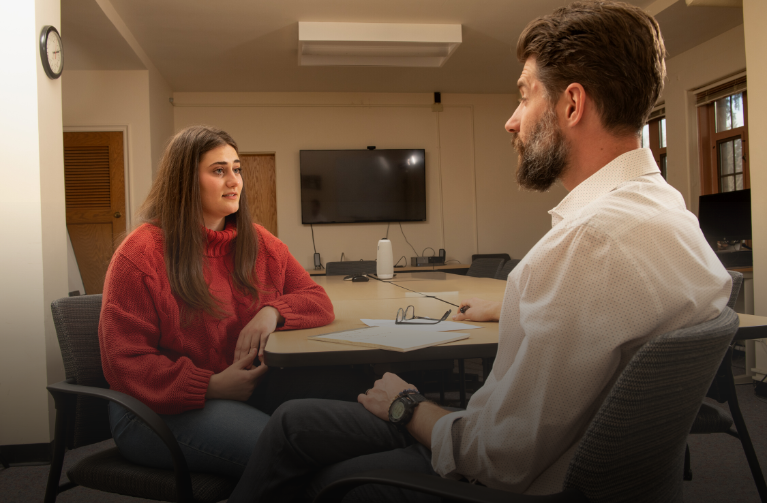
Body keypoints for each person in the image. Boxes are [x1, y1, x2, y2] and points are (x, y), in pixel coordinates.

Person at [228, 1, 733, 501]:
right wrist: (513, 302)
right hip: (584, 467)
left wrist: (408, 405)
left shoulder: (588, 243)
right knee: (299, 421)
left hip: (505, 478)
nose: (511, 122)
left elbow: (499, 458)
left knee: (321, 474)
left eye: (524, 97)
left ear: (572, 104)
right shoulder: (672, 217)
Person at [98, 125, 370, 478]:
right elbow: (125, 363)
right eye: (218, 170)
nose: (234, 181)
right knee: (289, 454)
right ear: (184, 181)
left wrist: (272, 312)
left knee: (357, 391)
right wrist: (210, 386)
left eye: (236, 169)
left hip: (243, 389)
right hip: (154, 411)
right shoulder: (140, 254)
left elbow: (316, 300)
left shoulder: (259, 241)